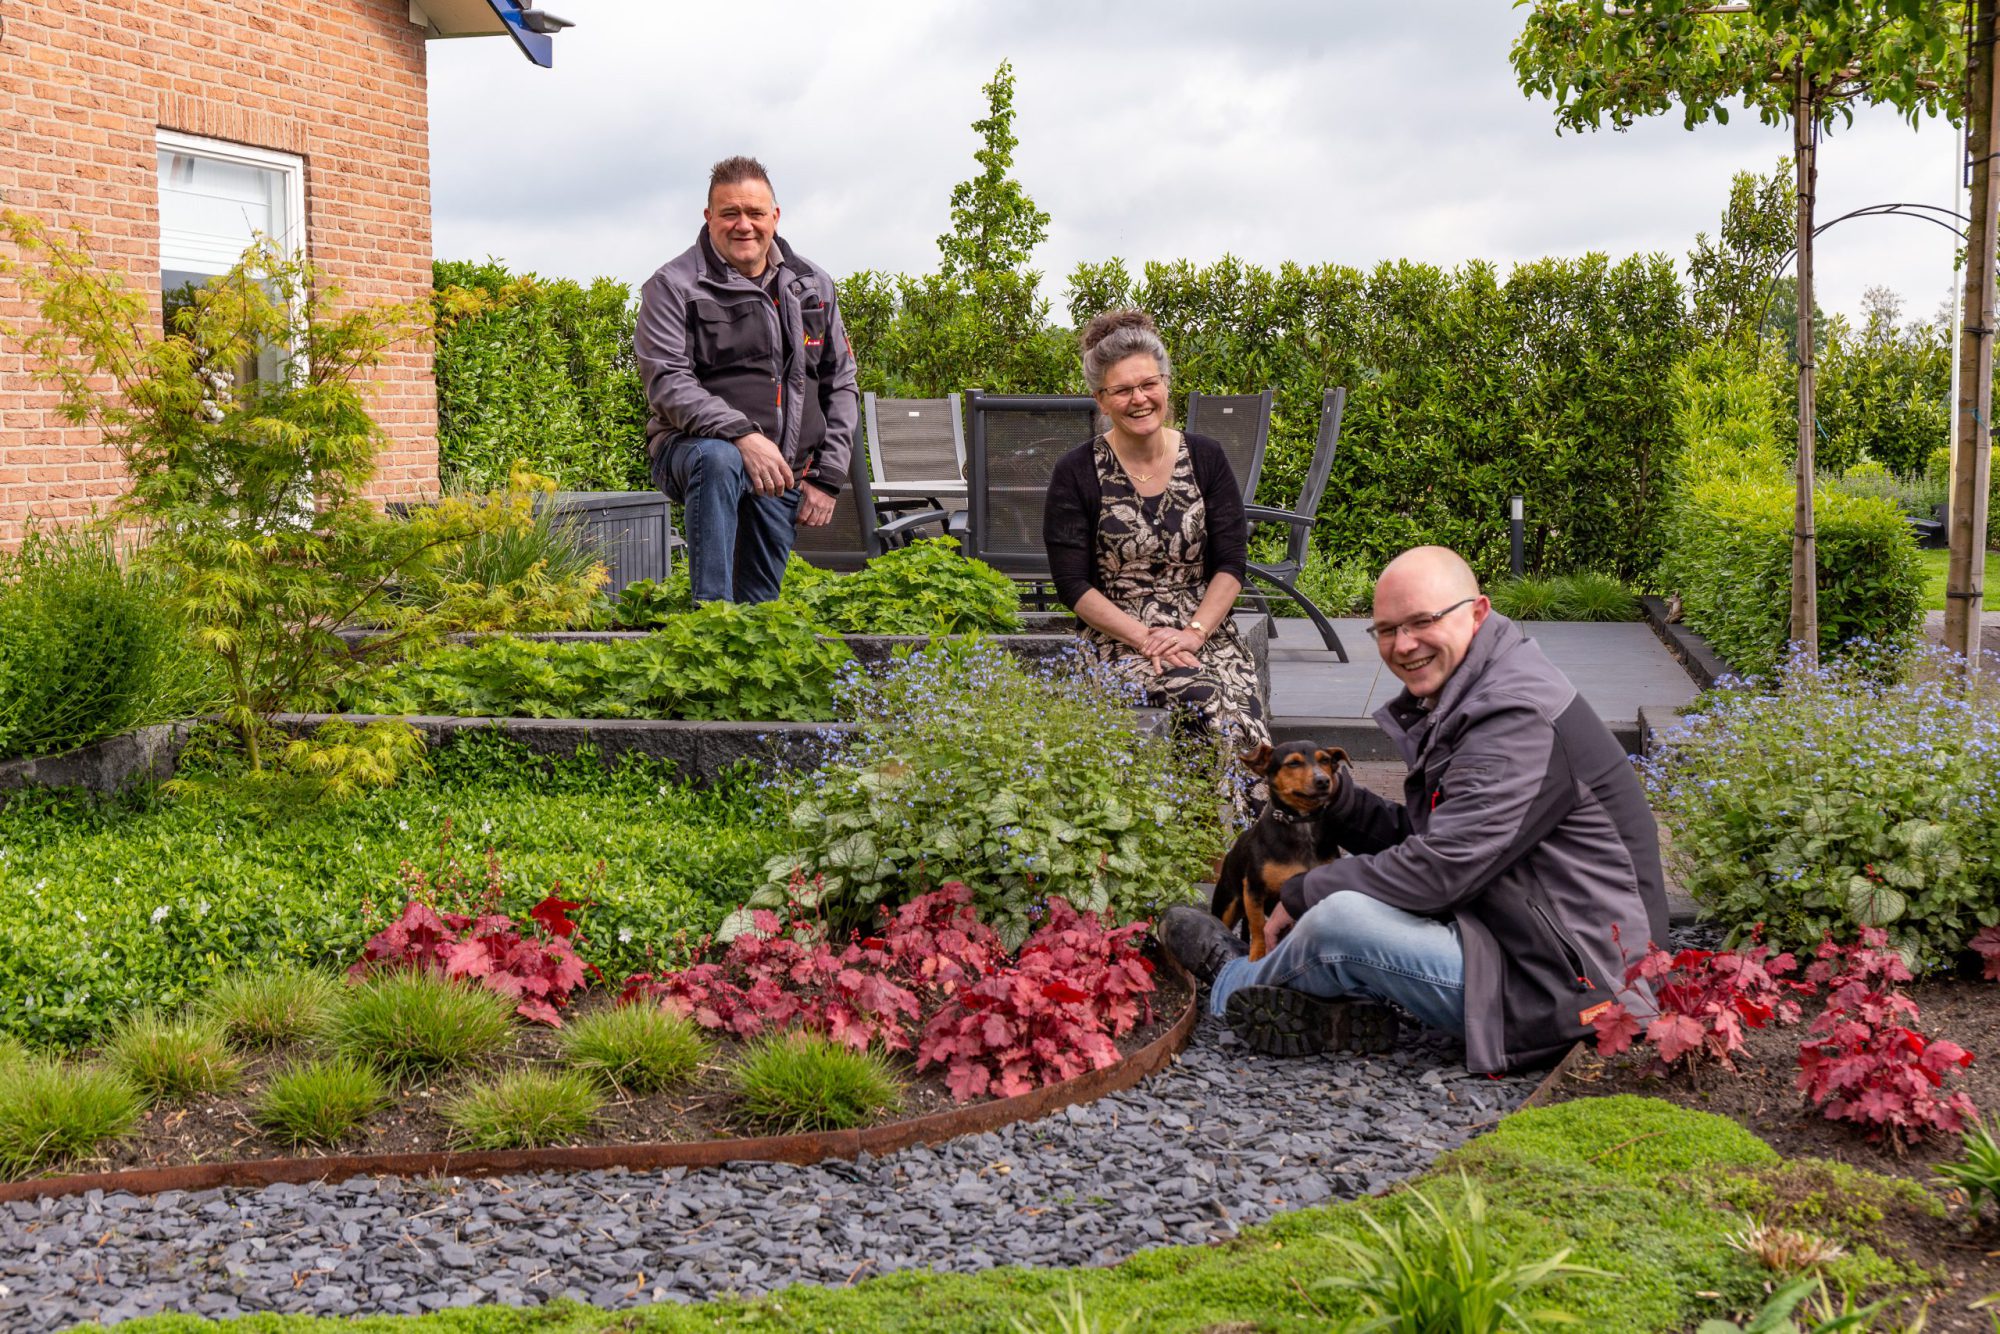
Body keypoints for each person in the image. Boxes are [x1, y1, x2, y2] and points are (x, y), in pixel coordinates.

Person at [1161, 546, 1669, 1074]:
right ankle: (1336, 1005)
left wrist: (1308, 889)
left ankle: (1231, 981)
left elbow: (1440, 871)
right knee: (1351, 904)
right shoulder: (1482, 689)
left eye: (1423, 621)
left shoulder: (1515, 717)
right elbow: (1438, 838)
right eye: (1386, 629)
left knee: (1340, 919)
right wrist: (1341, 802)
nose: (1403, 645)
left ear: (1477, 612)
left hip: (1577, 988)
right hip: (1522, 941)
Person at [1042, 309, 1272, 795]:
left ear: (1166, 384)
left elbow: (1231, 563)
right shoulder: (1076, 471)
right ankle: (1212, 828)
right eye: (1122, 390)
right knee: (1204, 697)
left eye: (1149, 384)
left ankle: (1245, 833)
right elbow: (1072, 585)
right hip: (1119, 637)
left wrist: (1192, 634)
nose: (1139, 399)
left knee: (1244, 719)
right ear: (1101, 400)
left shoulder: (1206, 457)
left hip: (1205, 630)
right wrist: (1148, 639)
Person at [634, 156, 858, 604]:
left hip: (782, 472)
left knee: (758, 609)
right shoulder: (673, 286)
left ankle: (732, 625)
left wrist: (828, 476)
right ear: (708, 217)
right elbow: (667, 381)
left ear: (775, 216)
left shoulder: (813, 286)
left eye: (755, 213)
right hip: (690, 450)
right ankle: (710, 614)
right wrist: (743, 435)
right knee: (720, 459)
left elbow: (841, 384)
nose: (744, 225)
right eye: (730, 213)